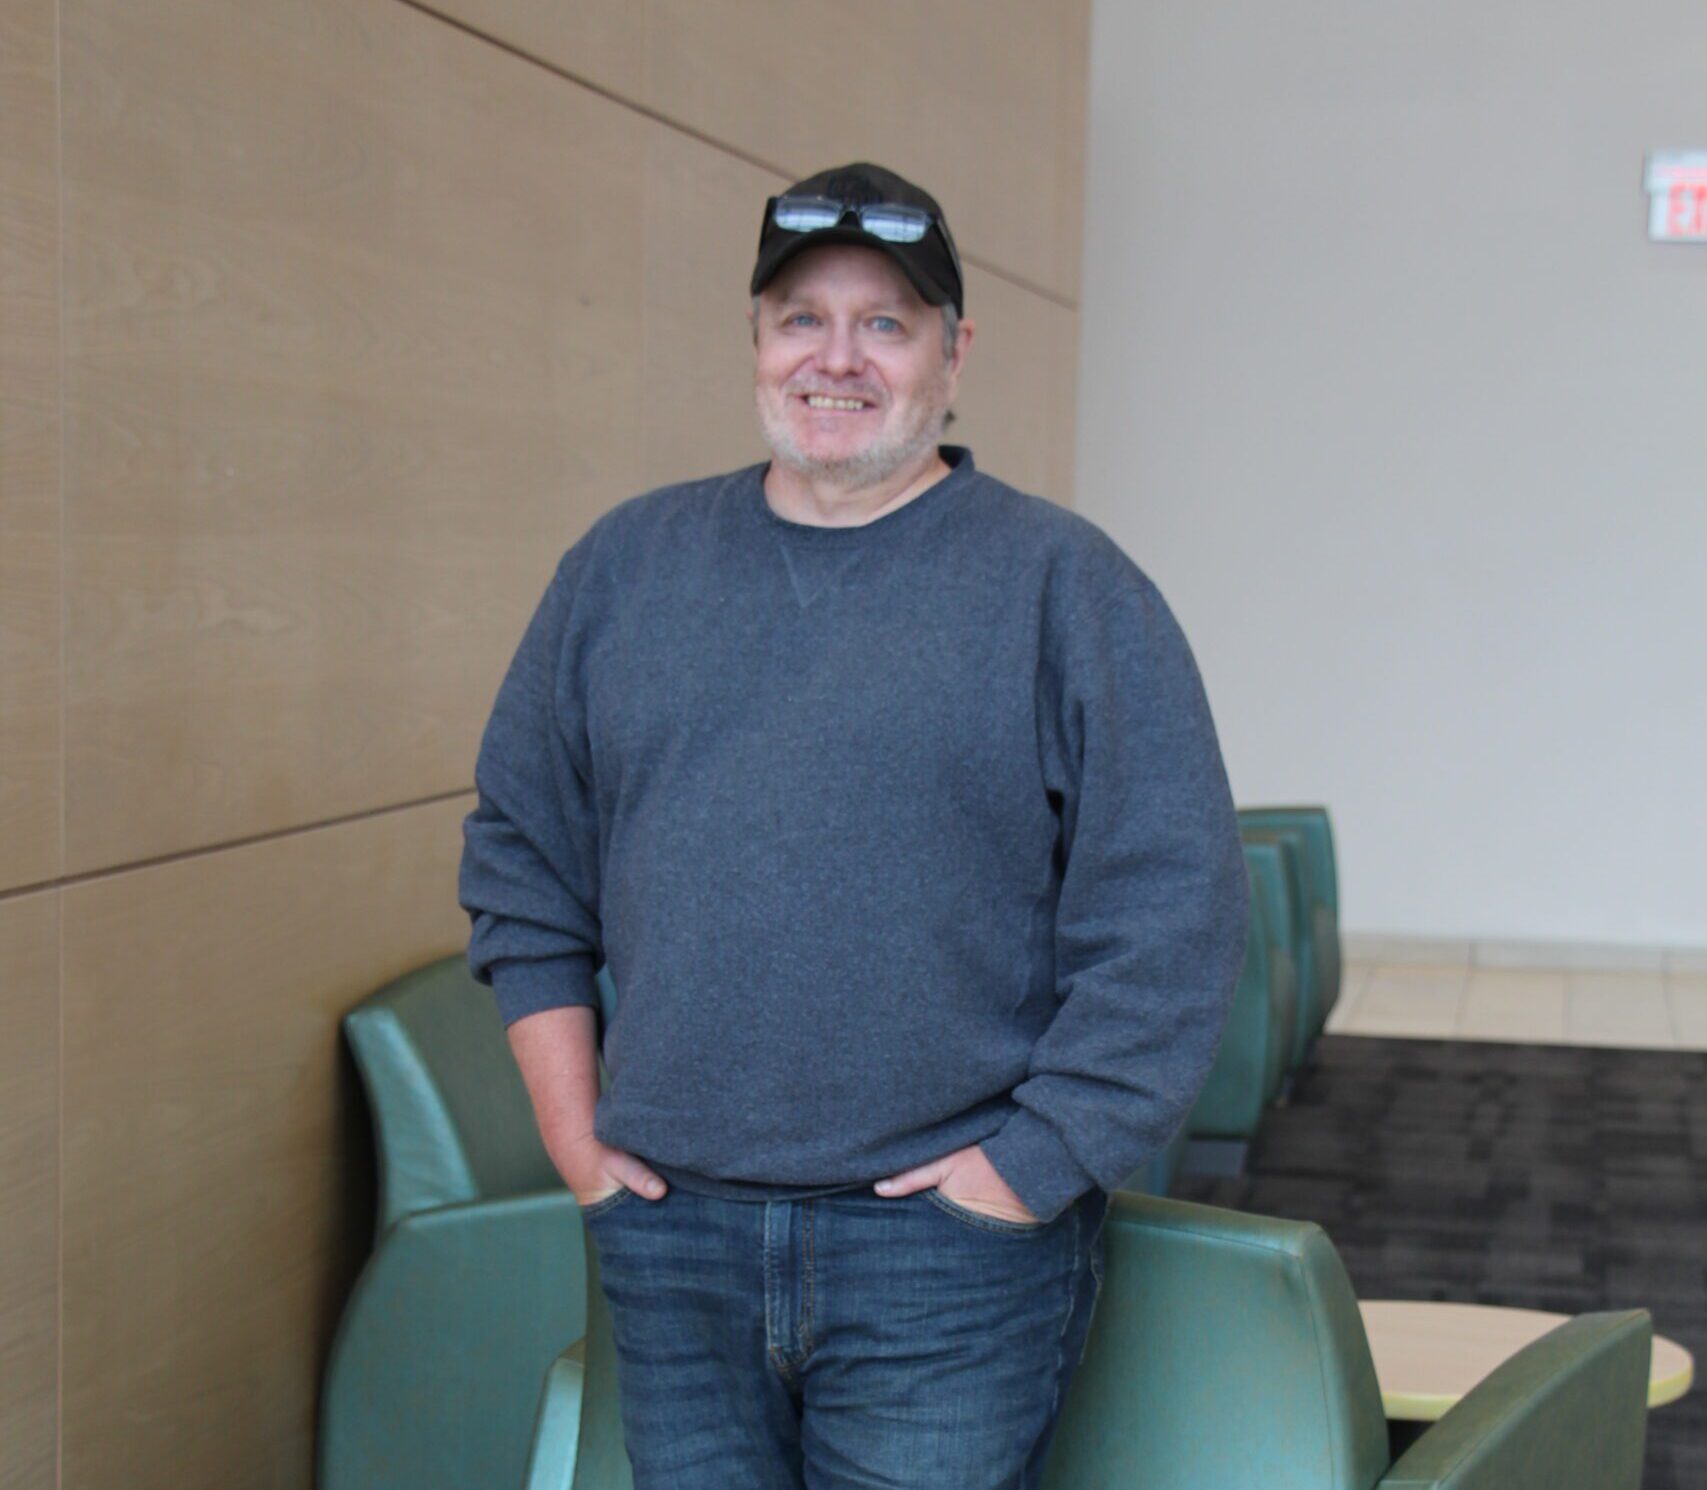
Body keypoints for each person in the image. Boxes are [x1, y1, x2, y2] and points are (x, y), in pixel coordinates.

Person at [458, 161, 1250, 1488]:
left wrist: (1021, 1172)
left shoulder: (1068, 588)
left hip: (946, 1256)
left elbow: (1172, 919)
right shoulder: (624, 569)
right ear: (756, 342)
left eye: (885, 321)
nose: (838, 357)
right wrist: (576, 1137)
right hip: (672, 1233)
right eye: (800, 318)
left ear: (955, 352)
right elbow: (523, 859)